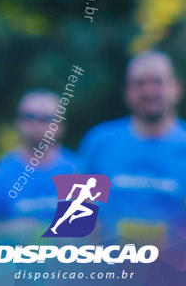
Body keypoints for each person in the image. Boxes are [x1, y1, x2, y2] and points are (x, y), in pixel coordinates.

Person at [79, 51, 186, 244]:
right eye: (139, 84)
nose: (149, 91)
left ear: (176, 88)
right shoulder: (99, 143)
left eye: (157, 82)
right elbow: (74, 221)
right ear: (127, 93)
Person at [0, 90, 81, 240]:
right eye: (29, 117)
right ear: (18, 122)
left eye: (47, 118)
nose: (37, 124)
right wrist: (10, 229)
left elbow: (101, 227)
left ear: (61, 126)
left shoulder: (80, 171)